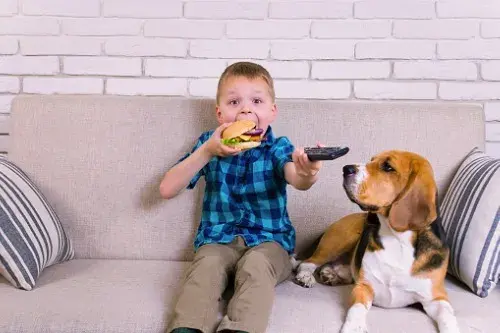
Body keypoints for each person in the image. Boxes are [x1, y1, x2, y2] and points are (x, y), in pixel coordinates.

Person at [160, 61, 323, 333]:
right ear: (219, 113)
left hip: (271, 245)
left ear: (272, 112)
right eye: (234, 102)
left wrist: (309, 172)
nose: (246, 109)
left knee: (256, 264)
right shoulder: (207, 145)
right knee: (206, 266)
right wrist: (207, 151)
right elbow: (166, 189)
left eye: (256, 100)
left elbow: (298, 178)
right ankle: (186, 328)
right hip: (218, 242)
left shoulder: (277, 147)